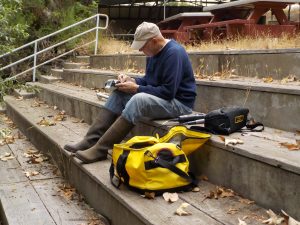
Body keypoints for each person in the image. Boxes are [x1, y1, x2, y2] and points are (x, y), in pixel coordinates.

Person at [64, 21, 197, 164]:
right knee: (119, 93)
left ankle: (101, 149)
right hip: (164, 99)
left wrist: (137, 88)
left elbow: (168, 92)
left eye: (142, 46)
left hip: (179, 105)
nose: (140, 50)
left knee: (138, 100)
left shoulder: (174, 53)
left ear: (154, 40)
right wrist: (132, 80)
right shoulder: (152, 53)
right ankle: (89, 141)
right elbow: (149, 80)